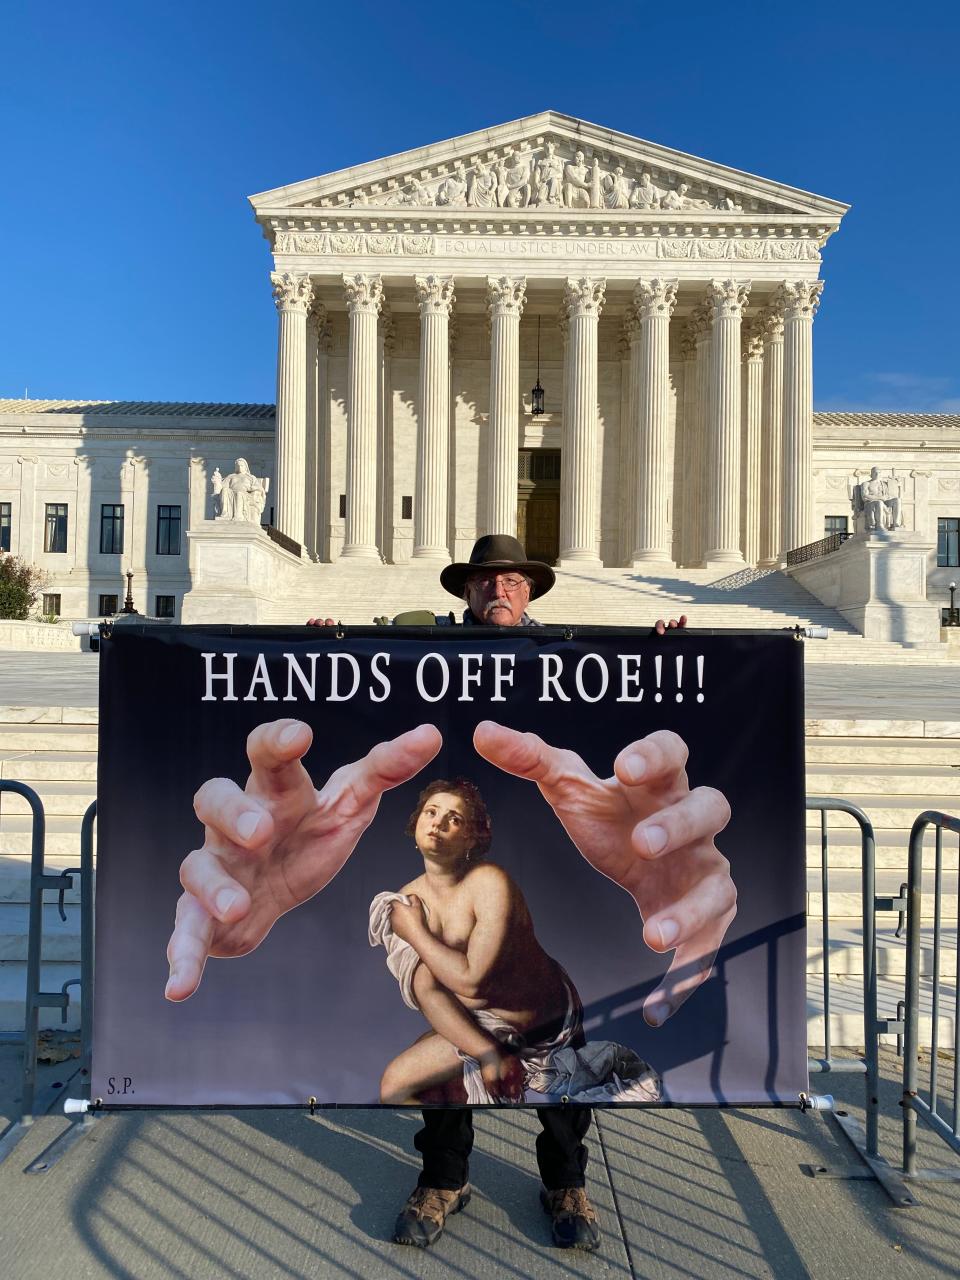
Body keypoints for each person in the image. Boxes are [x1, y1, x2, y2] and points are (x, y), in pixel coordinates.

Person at [167, 534, 731, 1254]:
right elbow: (439, 989)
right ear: (464, 591)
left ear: (532, 592)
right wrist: (308, 658)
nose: (501, 590)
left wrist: (666, 653)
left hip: (539, 1014)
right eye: (487, 581)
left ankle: (566, 1181)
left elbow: (457, 971)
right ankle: (444, 1175)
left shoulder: (560, 654)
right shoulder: (422, 651)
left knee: (557, 1099)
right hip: (474, 1007)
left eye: (515, 581)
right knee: (424, 1078)